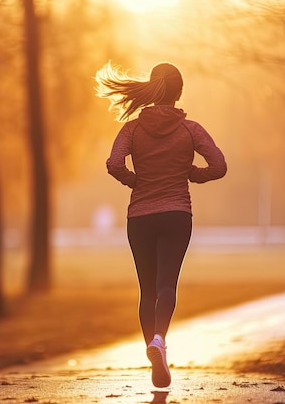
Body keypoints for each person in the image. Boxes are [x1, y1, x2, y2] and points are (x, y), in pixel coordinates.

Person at [95, 61, 227, 388]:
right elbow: (220, 166)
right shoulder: (190, 130)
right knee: (167, 285)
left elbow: (114, 163)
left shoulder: (132, 129)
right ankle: (159, 340)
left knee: (147, 289)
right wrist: (191, 173)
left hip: (140, 216)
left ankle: (154, 348)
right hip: (176, 214)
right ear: (179, 92)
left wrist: (135, 182)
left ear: (152, 89)